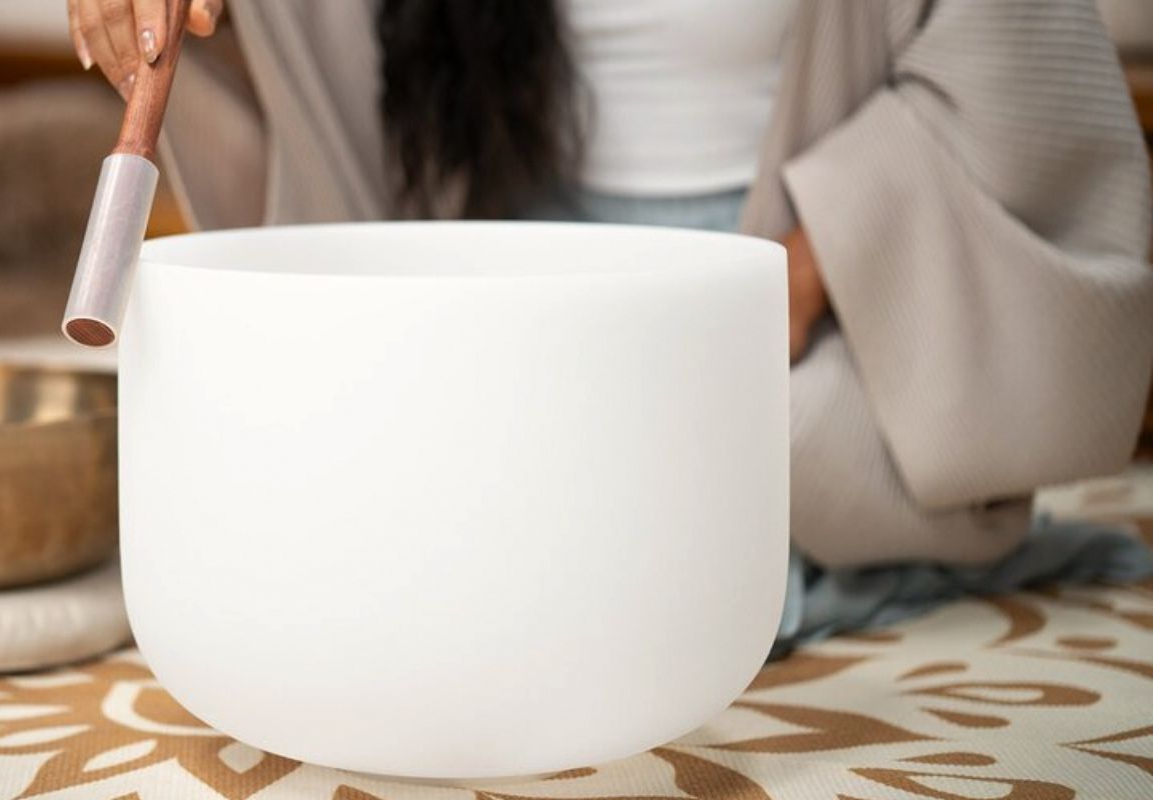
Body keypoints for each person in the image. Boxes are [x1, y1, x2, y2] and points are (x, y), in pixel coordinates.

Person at [67, 0, 1153, 639]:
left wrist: (806, 268)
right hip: (493, 275)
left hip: (797, 309)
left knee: (659, 528)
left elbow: (1015, 83)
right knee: (371, 522)